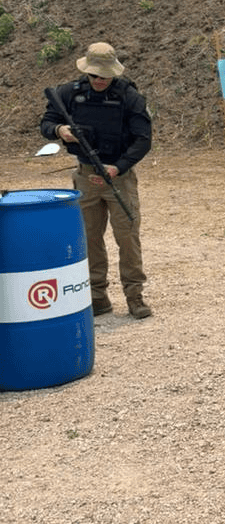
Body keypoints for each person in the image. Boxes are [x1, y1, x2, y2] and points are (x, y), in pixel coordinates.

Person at [40, 42, 153, 319]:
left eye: (105, 76)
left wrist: (120, 167)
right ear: (87, 72)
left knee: (127, 237)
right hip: (86, 175)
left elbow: (143, 139)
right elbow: (46, 124)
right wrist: (59, 129)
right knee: (90, 238)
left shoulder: (129, 96)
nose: (100, 80)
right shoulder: (68, 94)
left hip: (119, 177)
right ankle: (97, 296)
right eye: (95, 75)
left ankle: (134, 296)